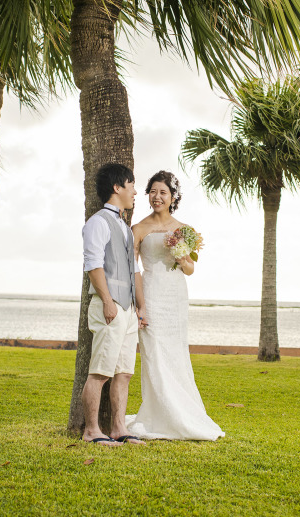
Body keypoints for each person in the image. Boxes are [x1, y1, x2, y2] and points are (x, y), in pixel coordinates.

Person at [125, 170, 225, 441]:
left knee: (176, 352)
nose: (157, 197)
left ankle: (183, 412)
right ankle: (158, 414)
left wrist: (181, 257)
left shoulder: (184, 229)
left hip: (175, 296)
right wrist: (140, 305)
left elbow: (190, 269)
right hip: (151, 293)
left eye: (163, 192)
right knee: (154, 353)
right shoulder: (138, 229)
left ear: (172, 197)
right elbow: (133, 269)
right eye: (153, 192)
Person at [81, 163, 148, 447]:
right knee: (100, 371)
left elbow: (134, 270)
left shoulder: (125, 227)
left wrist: (140, 307)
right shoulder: (98, 222)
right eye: (131, 185)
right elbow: (93, 265)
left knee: (124, 372)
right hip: (109, 307)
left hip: (128, 311)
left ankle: (119, 428)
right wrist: (108, 302)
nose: (135, 192)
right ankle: (91, 430)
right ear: (117, 187)